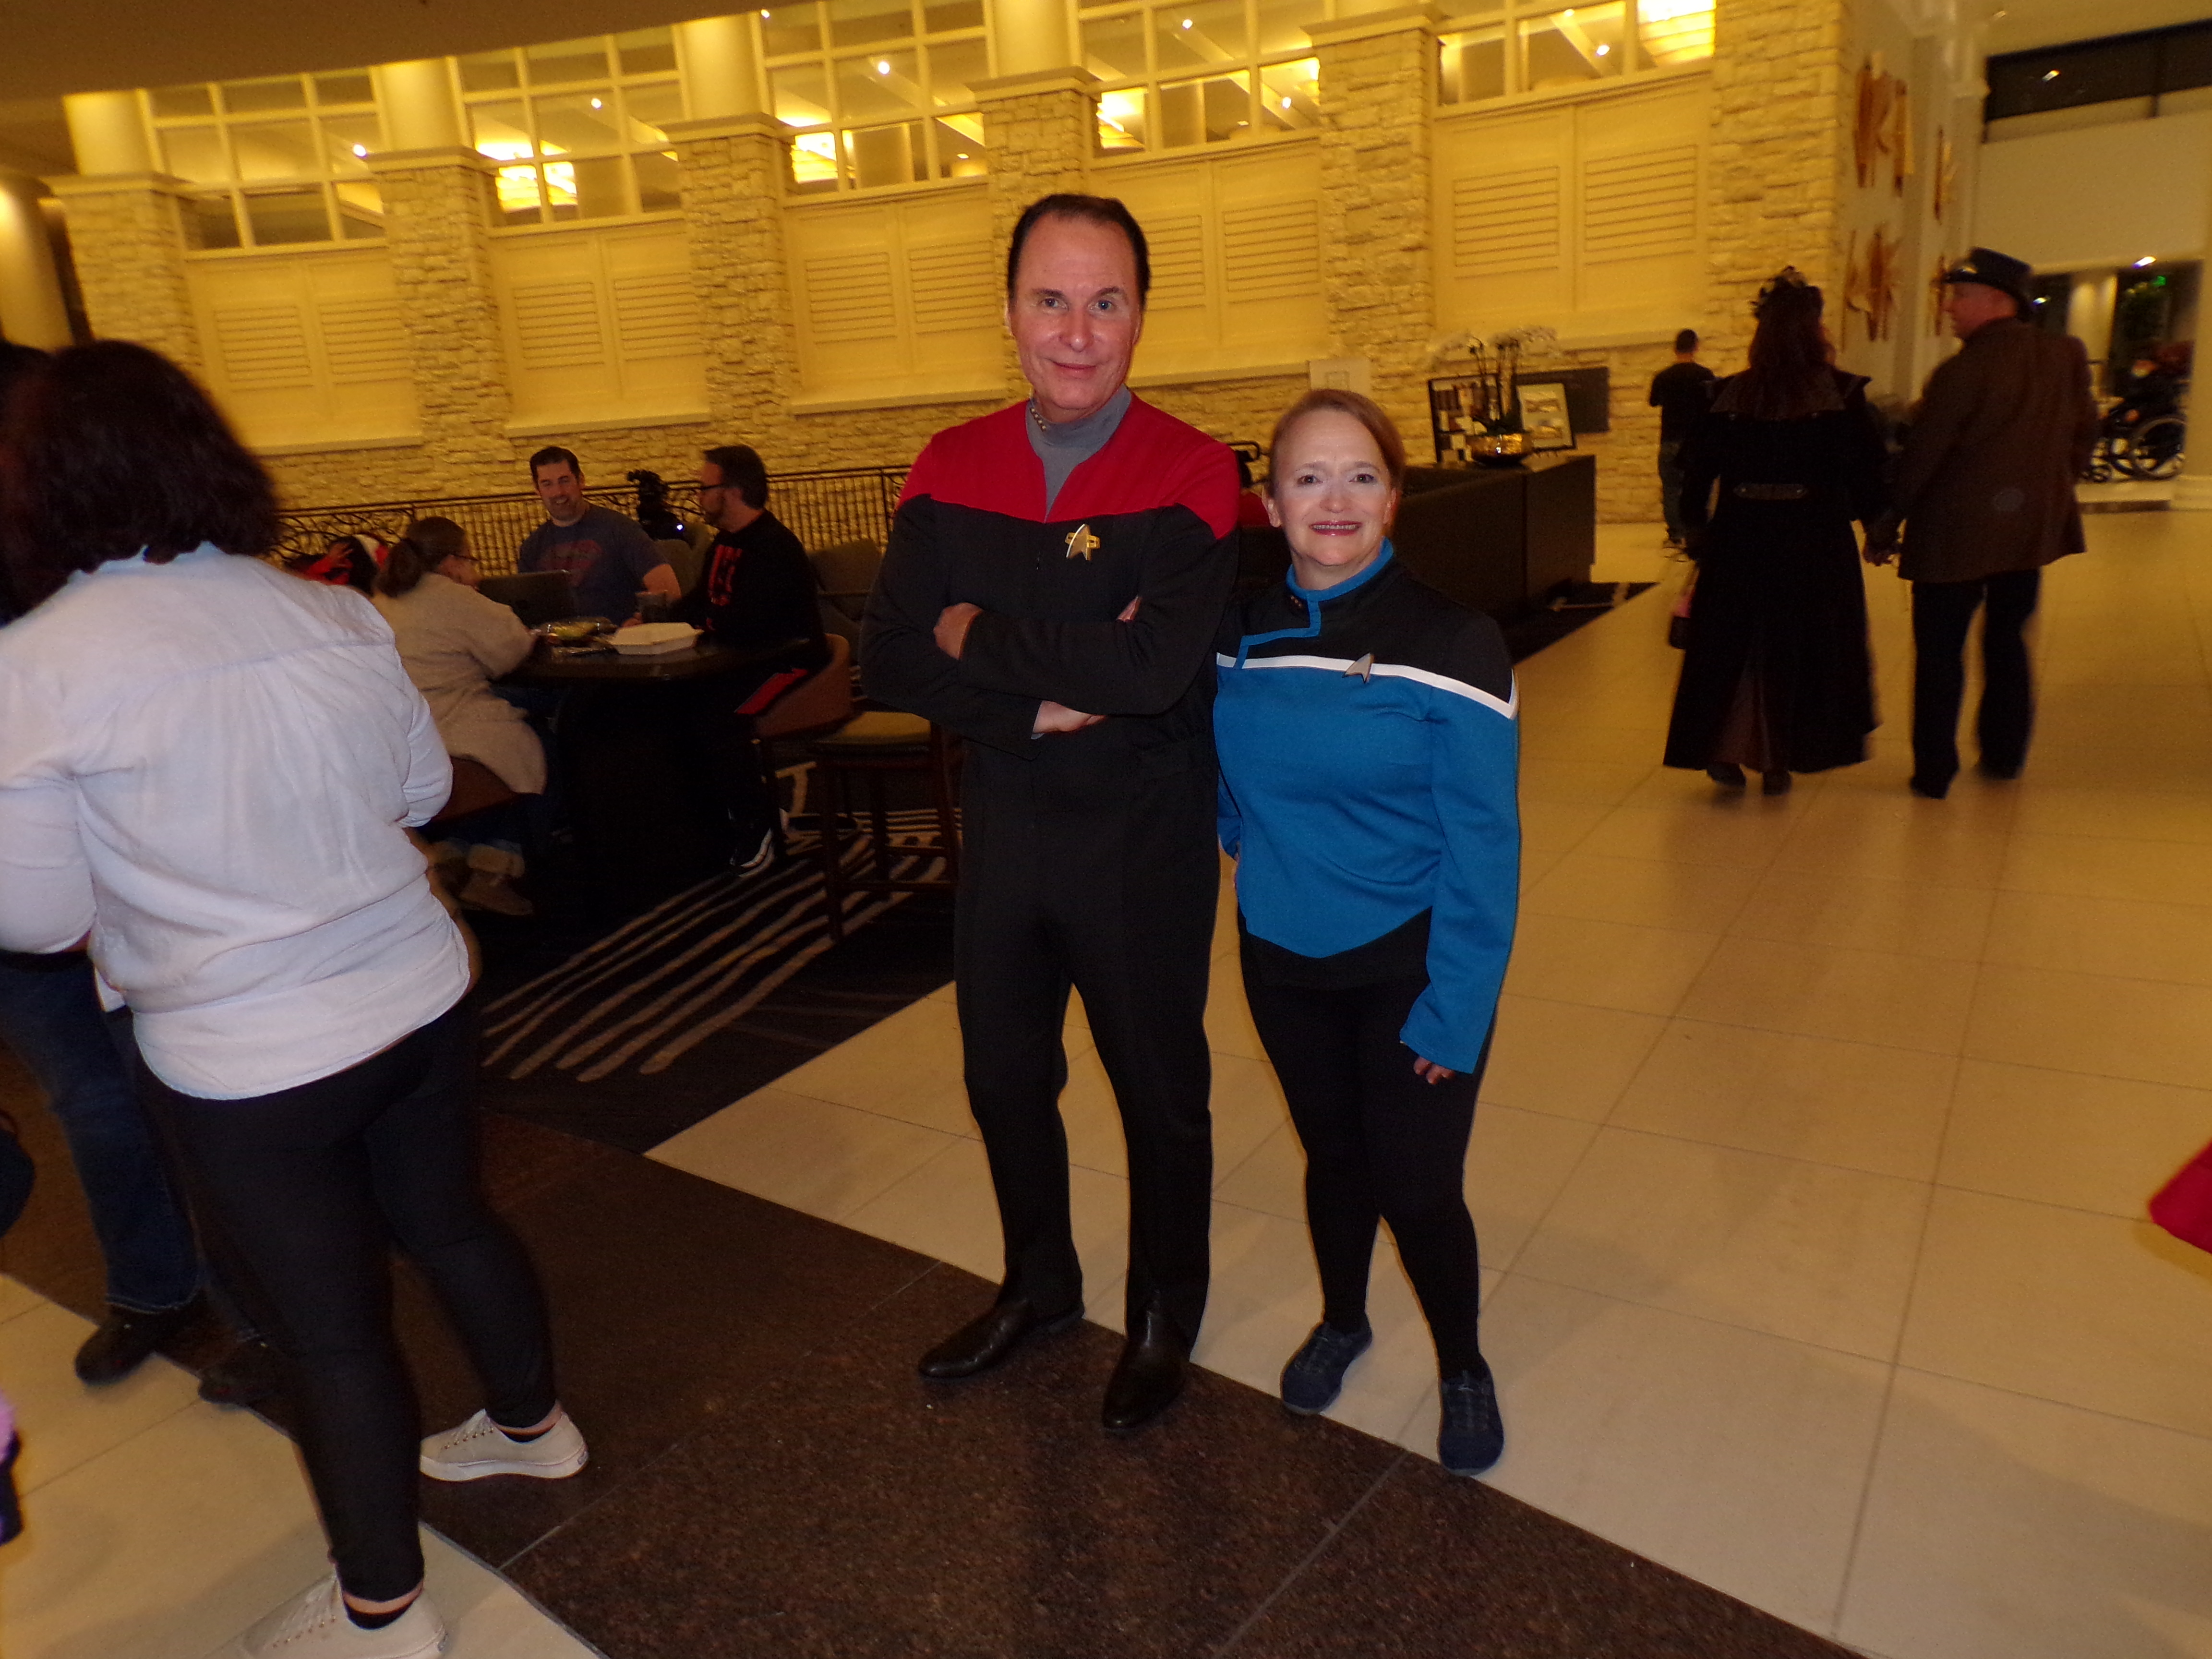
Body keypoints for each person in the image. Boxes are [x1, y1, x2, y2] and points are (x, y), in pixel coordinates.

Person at [0, 341, 584, 1659]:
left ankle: (382, 1613)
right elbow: (419, 793)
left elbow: (33, 918)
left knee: (332, 1334)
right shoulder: (328, 612)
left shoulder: (37, 663)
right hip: (419, 990)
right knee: (452, 1222)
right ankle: (534, 1427)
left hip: (251, 1052)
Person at [863, 193, 1238, 1433]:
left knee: (1158, 1089)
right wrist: (1036, 701)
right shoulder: (949, 464)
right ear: (1013, 311)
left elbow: (1153, 672)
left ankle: (1164, 1312)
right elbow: (888, 655)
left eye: (1106, 301)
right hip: (1012, 820)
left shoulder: (1193, 470)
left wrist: (978, 631)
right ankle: (1041, 1284)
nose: (1077, 332)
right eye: (1052, 300)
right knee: (1002, 1075)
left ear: (1141, 314)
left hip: (1144, 832)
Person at [1214, 389, 1519, 1477]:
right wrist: (1250, 844)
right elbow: (1223, 778)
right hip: (1280, 959)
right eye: (1307, 478)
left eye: (1359, 476)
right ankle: (1343, 1318)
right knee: (1333, 1157)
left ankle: (1462, 1362)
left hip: (1409, 963)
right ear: (1270, 503)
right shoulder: (1237, 634)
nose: (1333, 500)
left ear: (1393, 497)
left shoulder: (1452, 640)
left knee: (1418, 1186)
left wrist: (1457, 1007)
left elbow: (1485, 846)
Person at [1866, 247, 2098, 798]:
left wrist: (1887, 522)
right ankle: (2005, 756)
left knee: (1940, 655)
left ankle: (1935, 771)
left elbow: (1925, 457)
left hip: (1953, 540)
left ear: (1999, 301)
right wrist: (2050, 490)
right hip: (2026, 537)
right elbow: (2085, 431)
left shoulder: (1962, 371)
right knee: (2009, 641)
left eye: (1961, 296)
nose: (1949, 307)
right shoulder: (2064, 354)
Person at [1662, 270, 1887, 795]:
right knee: (1802, 647)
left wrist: (1696, 530)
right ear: (1814, 330)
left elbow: (1696, 476)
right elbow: (1867, 473)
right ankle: (1781, 755)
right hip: (1814, 542)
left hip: (1740, 539)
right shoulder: (1841, 394)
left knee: (1736, 646)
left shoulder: (1725, 396)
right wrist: (1879, 530)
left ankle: (1728, 748)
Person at [373, 518, 546, 917]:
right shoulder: (455, 597)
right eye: (470, 559)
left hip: (405, 738)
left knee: (509, 731)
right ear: (452, 562)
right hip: (453, 727)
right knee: (540, 742)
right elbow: (510, 651)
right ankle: (495, 871)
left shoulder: (384, 599)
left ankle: (456, 852)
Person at [672, 444, 832, 873]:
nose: (699, 497)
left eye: (704, 488)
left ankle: (758, 823)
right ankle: (712, 819)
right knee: (676, 705)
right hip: (744, 661)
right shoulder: (724, 542)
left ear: (733, 492)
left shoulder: (773, 547)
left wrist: (703, 625)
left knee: (719, 715)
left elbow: (753, 624)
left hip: (788, 661)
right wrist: (656, 620)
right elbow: (703, 600)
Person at [516, 446, 679, 623]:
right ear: (537, 490)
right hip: (556, 638)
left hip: (618, 636)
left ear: (581, 481)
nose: (558, 493)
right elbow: (527, 611)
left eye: (565, 481)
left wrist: (641, 623)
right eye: (547, 484)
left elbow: (669, 591)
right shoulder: (532, 547)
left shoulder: (620, 529)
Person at [1650, 328, 1718, 547]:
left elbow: (1654, 401)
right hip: (1697, 442)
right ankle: (1696, 534)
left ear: (1675, 348)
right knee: (1698, 488)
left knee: (1671, 489)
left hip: (1670, 440)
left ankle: (1676, 535)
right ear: (1696, 347)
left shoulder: (1663, 377)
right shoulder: (1705, 375)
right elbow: (1714, 405)